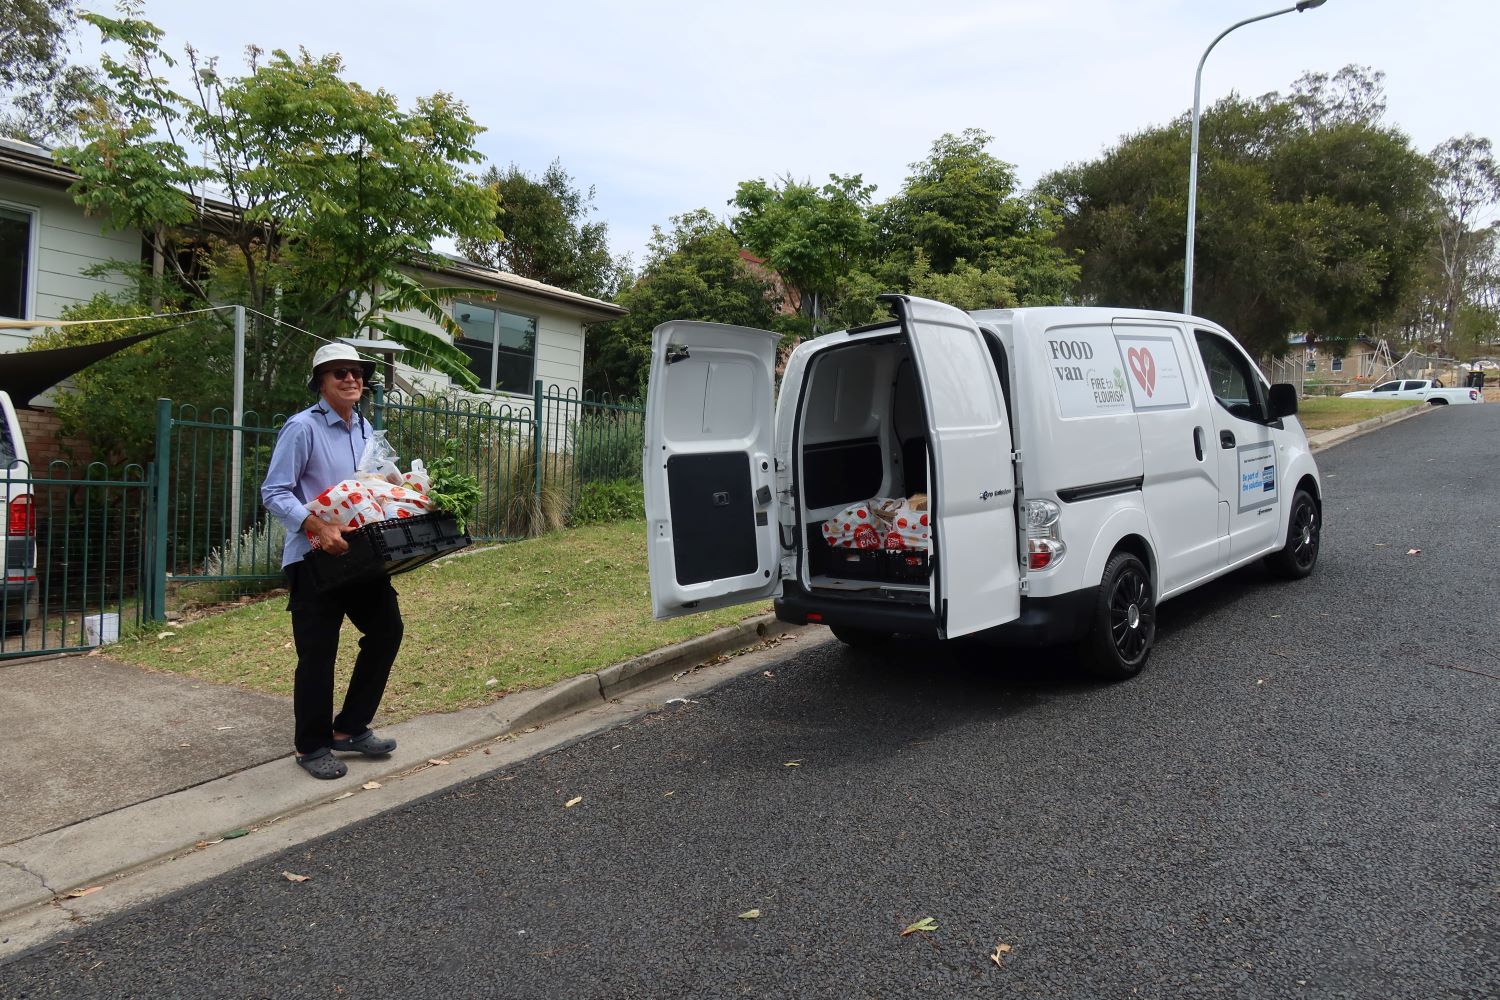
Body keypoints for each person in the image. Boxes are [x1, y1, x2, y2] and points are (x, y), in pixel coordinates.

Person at [261, 343, 404, 780]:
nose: (351, 379)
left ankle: (350, 728)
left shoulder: (365, 430)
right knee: (319, 653)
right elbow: (274, 491)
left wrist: (409, 488)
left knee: (386, 630)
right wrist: (317, 527)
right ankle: (312, 745)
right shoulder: (302, 428)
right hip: (314, 559)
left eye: (358, 373)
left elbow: (377, 482)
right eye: (339, 372)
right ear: (320, 382)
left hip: (361, 557)